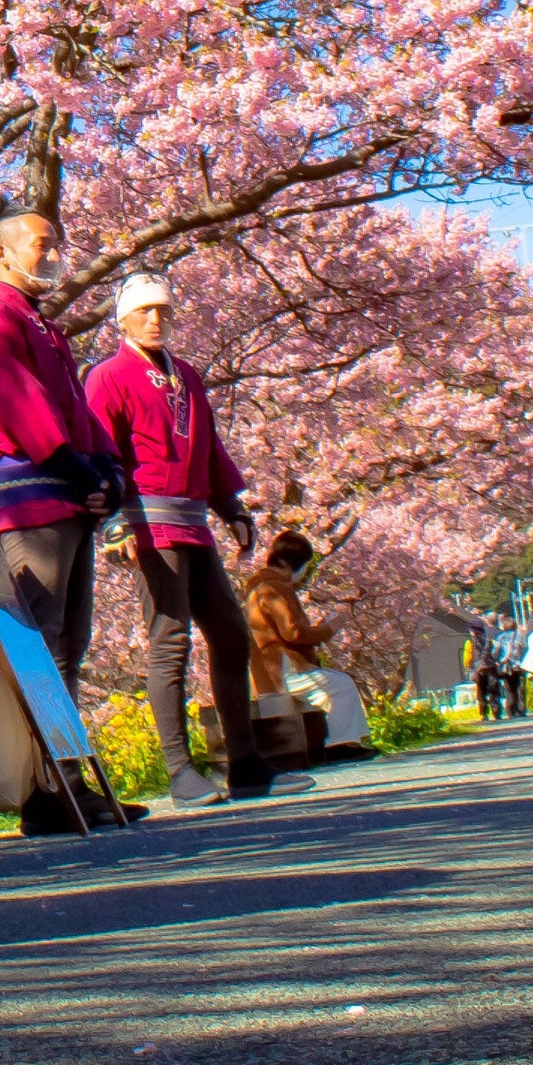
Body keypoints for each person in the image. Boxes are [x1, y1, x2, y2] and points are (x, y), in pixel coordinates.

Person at [0, 206, 137, 832]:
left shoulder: (41, 324)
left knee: (68, 645)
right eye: (39, 243)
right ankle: (51, 789)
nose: (52, 252)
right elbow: (19, 407)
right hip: (33, 501)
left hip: (67, 498)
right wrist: (82, 472)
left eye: (56, 242)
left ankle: (68, 783)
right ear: (2, 255)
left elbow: (75, 412)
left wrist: (107, 474)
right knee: (45, 646)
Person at [83, 269, 303, 806]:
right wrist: (111, 524)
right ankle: (180, 770)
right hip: (147, 522)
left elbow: (210, 447)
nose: (156, 320)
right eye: (144, 311)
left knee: (230, 632)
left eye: (164, 310)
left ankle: (246, 762)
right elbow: (98, 453)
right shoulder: (107, 377)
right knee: (171, 640)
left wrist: (231, 506)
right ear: (124, 319)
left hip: (194, 522)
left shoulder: (187, 377)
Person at [242, 528, 354, 761]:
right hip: (284, 668)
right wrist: (330, 628)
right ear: (297, 565)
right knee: (342, 685)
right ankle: (341, 745)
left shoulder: (257, 587)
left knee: (330, 692)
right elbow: (293, 632)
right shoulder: (275, 587)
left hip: (267, 674)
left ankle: (340, 743)